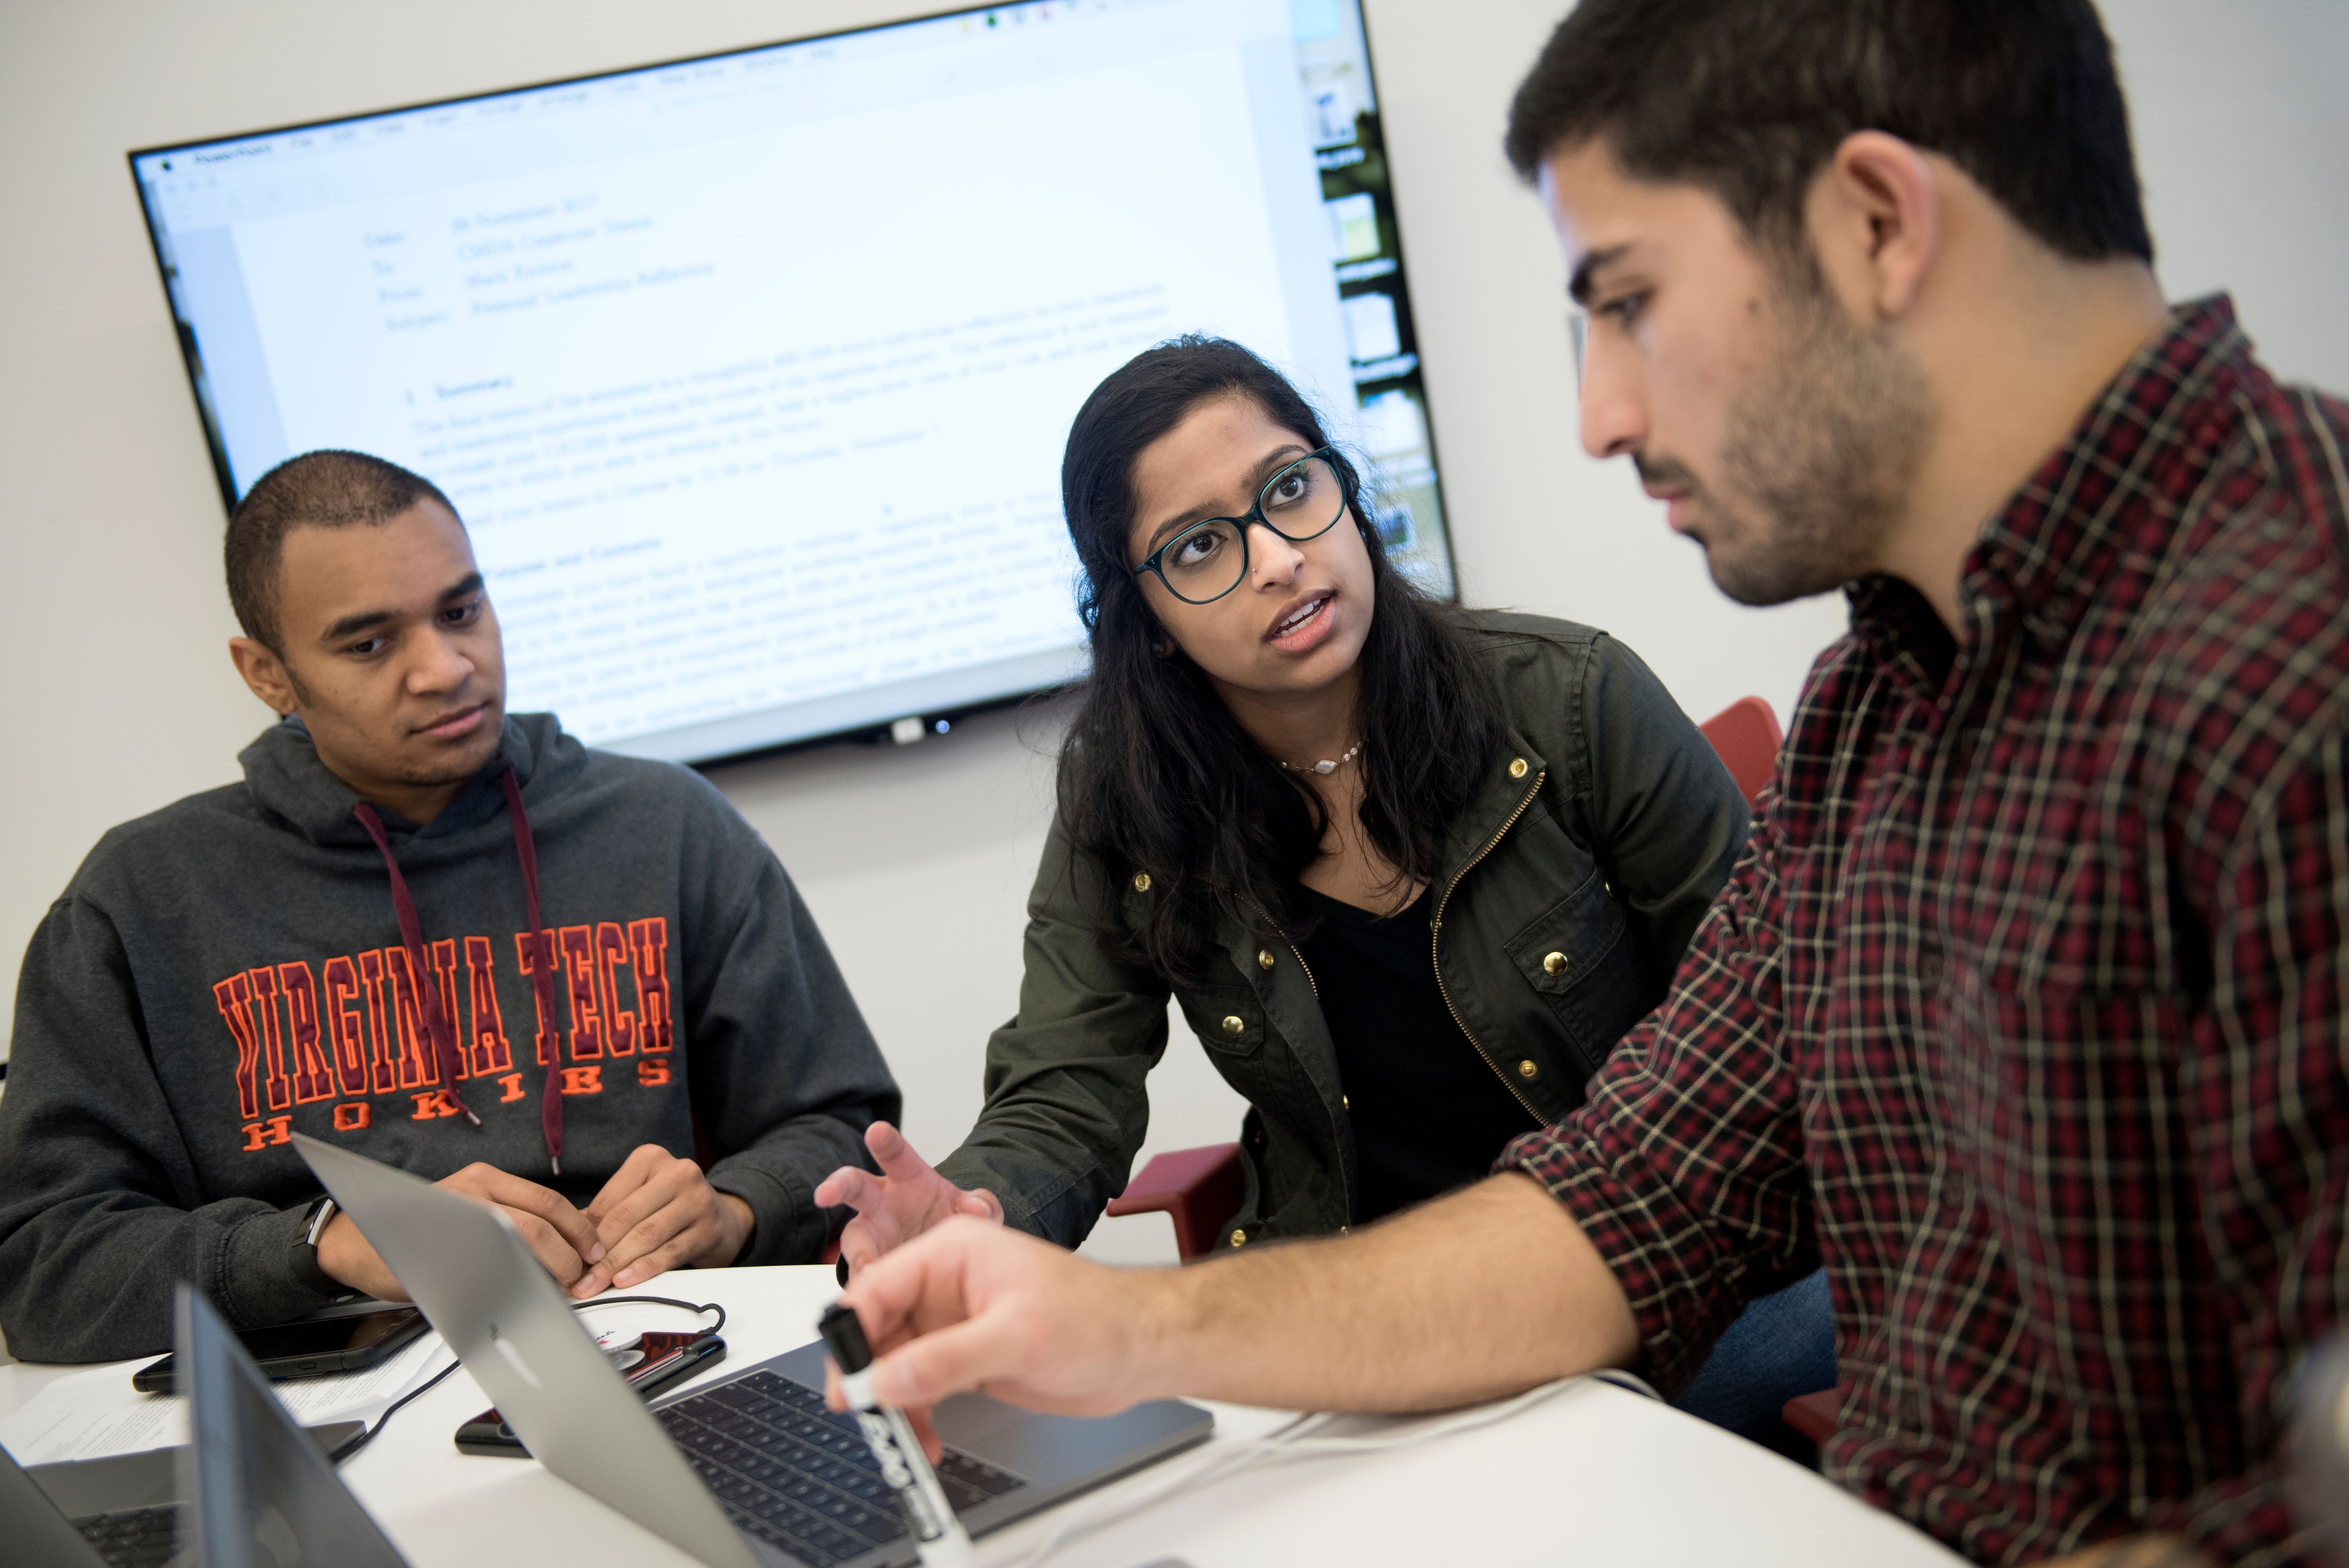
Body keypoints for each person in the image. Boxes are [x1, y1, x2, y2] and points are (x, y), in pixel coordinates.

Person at [824, 2, 2349, 1564]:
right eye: (1205, 544)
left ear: (1879, 223)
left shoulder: (2290, 654)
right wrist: (1110, 1326)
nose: (1598, 414)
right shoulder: (1878, 706)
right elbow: (1639, 1191)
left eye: (1626, 301)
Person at [815, 335, 1832, 1438]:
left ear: (1345, 493)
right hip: (1359, 1315)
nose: (1275, 560)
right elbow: (1068, 1091)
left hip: (1652, 1277)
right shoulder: (1127, 806)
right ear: (1142, 620)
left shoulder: (1571, 699)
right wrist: (980, 1209)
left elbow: (1776, 1043)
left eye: (1289, 490)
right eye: (1199, 546)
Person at [0, 450, 899, 1363]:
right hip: (325, 1395)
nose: (443, 668)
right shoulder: (140, 897)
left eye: (460, 611)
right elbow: (45, 1265)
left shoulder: (665, 826)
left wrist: (737, 1207)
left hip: (649, 1348)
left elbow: (846, 1126)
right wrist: (324, 1246)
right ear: (266, 674)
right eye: (369, 644)